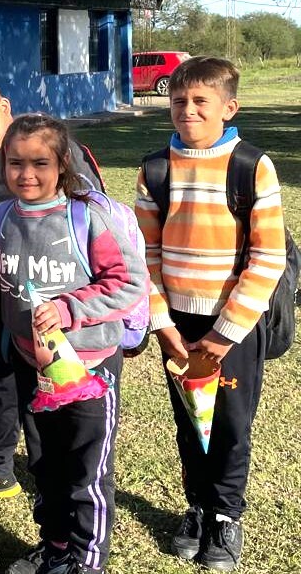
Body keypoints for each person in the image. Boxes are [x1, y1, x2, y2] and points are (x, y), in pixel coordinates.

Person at [0, 114, 148, 574]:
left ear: (62, 163)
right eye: (16, 163)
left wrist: (71, 308)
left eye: (39, 163)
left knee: (86, 471)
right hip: (34, 367)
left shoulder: (87, 214)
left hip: (89, 369)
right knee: (47, 467)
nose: (26, 174)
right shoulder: (2, 216)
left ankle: (87, 560)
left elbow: (129, 281)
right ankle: (55, 547)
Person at [134, 57, 286, 572]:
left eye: (201, 101)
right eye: (179, 101)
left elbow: (268, 257)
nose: (188, 110)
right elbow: (144, 257)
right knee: (189, 422)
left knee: (230, 426)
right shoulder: (155, 169)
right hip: (178, 327)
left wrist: (224, 335)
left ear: (229, 107)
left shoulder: (252, 165)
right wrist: (165, 327)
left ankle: (225, 516)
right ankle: (197, 507)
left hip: (232, 328)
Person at [0, 75, 104, 502]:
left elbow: (92, 216)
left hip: (62, 305)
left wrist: (76, 298)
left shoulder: (52, 148)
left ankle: (74, 483)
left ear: (5, 106)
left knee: (64, 395)